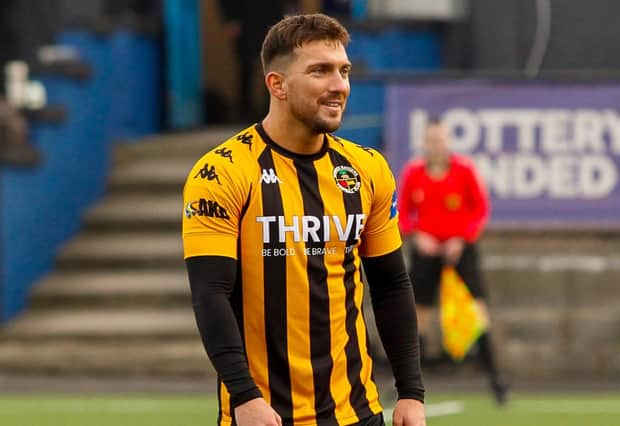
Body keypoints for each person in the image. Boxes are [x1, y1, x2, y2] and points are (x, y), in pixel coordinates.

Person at [183, 13, 426, 426]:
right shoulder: (222, 171)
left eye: (344, 71)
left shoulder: (367, 169)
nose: (339, 85)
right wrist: (244, 397)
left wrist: (411, 393)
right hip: (263, 415)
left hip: (357, 412)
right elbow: (211, 294)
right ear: (277, 85)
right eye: (320, 71)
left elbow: (390, 284)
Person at [397, 119, 508, 405]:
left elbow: (480, 210)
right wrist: (417, 235)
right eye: (431, 139)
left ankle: (497, 381)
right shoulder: (414, 173)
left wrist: (462, 237)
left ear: (448, 141)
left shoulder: (465, 170)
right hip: (425, 253)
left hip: (460, 252)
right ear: (425, 142)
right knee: (417, 314)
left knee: (478, 312)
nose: (437, 145)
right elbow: (402, 212)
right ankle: (409, 384)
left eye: (441, 139)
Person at [217, 0, 293, 122]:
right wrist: (230, 18)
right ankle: (244, 110)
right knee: (246, 66)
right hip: (245, 16)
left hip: (273, 14)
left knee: (274, 64)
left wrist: (291, 12)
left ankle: (271, 108)